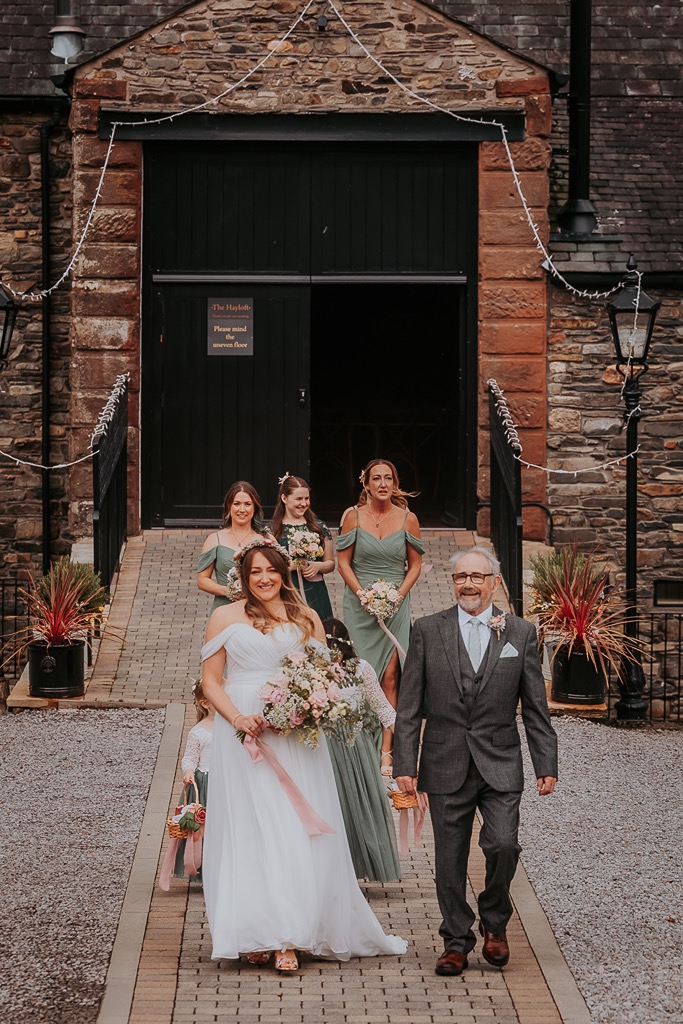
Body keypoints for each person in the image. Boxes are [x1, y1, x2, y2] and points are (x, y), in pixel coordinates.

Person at [200, 536, 407, 971]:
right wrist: (238, 718)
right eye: (254, 571)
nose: (263, 579)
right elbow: (211, 682)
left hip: (293, 734)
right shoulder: (223, 616)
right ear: (243, 575)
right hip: (242, 735)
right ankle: (254, 929)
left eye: (270, 570)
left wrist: (296, 707)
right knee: (250, 826)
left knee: (293, 825)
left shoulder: (307, 616)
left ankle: (291, 932)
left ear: (284, 571)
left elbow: (323, 676)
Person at [393, 545, 558, 977]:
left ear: (495, 583)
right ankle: (456, 941)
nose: (468, 583)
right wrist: (404, 764)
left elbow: (535, 706)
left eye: (476, 577)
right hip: (445, 760)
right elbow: (409, 706)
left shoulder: (520, 633)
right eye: (460, 576)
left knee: (503, 844)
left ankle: (495, 923)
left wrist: (546, 762)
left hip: (500, 760)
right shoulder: (428, 630)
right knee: (449, 858)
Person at [337, 459, 424, 777]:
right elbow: (343, 563)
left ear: (395, 482)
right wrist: (362, 595)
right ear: (367, 484)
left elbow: (414, 566)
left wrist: (397, 597)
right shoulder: (352, 516)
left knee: (389, 677)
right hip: (359, 606)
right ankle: (357, 746)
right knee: (360, 675)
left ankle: (387, 752)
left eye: (389, 478)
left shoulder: (408, 519)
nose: (383, 483)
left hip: (395, 605)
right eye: (377, 478)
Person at [322, 618, 400, 883]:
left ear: (346, 649)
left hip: (357, 749)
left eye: (338, 654)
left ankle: (356, 866)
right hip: (323, 748)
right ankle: (329, 869)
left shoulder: (361, 669)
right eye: (328, 653)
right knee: (329, 804)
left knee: (358, 805)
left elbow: (382, 707)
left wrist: (407, 742)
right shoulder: (311, 670)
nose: (333, 661)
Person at [159, 680, 214, 890]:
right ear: (205, 703)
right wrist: (189, 772)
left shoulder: (231, 727)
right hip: (205, 783)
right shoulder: (198, 732)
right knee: (202, 828)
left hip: (225, 781)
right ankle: (204, 870)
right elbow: (190, 758)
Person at [197, 481, 270, 615]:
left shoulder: (265, 539)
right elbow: (202, 580)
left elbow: (279, 575)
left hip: (258, 609)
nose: (242, 510)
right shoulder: (214, 539)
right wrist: (228, 591)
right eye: (237, 504)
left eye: (247, 504)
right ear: (229, 507)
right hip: (224, 609)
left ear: (255, 508)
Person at [271, 474, 335, 619]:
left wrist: (317, 566)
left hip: (315, 590)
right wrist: (293, 565)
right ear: (284, 498)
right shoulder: (273, 531)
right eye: (298, 499)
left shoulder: (319, 527)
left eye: (306, 498)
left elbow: (330, 563)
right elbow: (269, 567)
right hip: (287, 589)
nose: (304, 503)